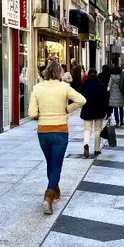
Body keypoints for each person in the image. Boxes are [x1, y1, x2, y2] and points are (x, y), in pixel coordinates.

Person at [28, 61, 86, 214]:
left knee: (50, 162)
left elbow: (32, 113)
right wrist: (68, 108)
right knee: (56, 164)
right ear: (60, 73)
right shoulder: (64, 87)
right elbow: (81, 100)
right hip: (60, 130)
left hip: (43, 131)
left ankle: (55, 189)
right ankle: (49, 195)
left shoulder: (37, 88)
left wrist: (42, 115)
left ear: (46, 72)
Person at [79, 69, 110, 158]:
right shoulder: (100, 86)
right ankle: (97, 149)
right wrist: (108, 111)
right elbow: (105, 100)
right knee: (98, 130)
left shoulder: (84, 85)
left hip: (87, 109)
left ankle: (86, 144)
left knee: (87, 129)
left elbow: (80, 97)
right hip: (99, 110)